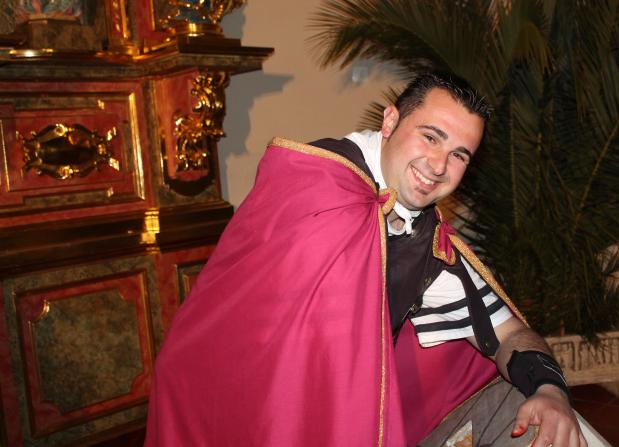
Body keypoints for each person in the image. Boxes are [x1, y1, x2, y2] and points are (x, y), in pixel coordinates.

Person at [145, 73, 587, 447]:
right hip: (228, 407)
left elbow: (508, 333)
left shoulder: (426, 243)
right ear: (390, 120)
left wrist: (551, 389)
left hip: (342, 421)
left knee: (551, 425)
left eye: (459, 155)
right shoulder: (313, 188)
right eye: (431, 137)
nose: (438, 166)